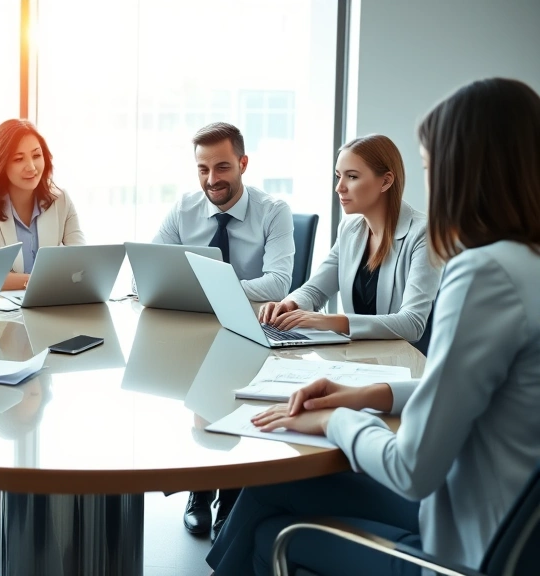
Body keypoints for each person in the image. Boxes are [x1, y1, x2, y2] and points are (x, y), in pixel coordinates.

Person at [207, 77, 540, 576]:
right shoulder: (525, 264)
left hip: (460, 551)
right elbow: (466, 389)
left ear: (465, 170)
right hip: (490, 520)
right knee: (270, 486)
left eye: (432, 167)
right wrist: (361, 395)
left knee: (270, 532)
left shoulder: (484, 273)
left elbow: (411, 468)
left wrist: (334, 421)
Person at [154, 122, 295, 540]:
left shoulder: (274, 211)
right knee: (199, 377)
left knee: (230, 384)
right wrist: (207, 291)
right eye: (203, 169)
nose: (212, 180)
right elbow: (150, 275)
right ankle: (202, 487)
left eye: (222, 168)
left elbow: (278, 283)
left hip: (253, 334)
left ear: (243, 164)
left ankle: (229, 494)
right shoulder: (183, 210)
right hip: (198, 331)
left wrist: (207, 287)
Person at [258, 134, 441, 346]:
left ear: (386, 181)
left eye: (352, 177)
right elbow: (315, 290)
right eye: (338, 176)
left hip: (404, 363)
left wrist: (328, 322)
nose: (339, 187)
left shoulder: (423, 233)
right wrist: (290, 304)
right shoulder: (349, 228)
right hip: (359, 357)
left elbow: (412, 323)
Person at [0, 119, 85, 290]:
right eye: (18, 159)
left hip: (53, 303)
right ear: (1, 164)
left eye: (36, 156)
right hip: (4, 312)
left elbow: (82, 262)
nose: (31, 167)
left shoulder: (61, 199)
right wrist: (47, 280)